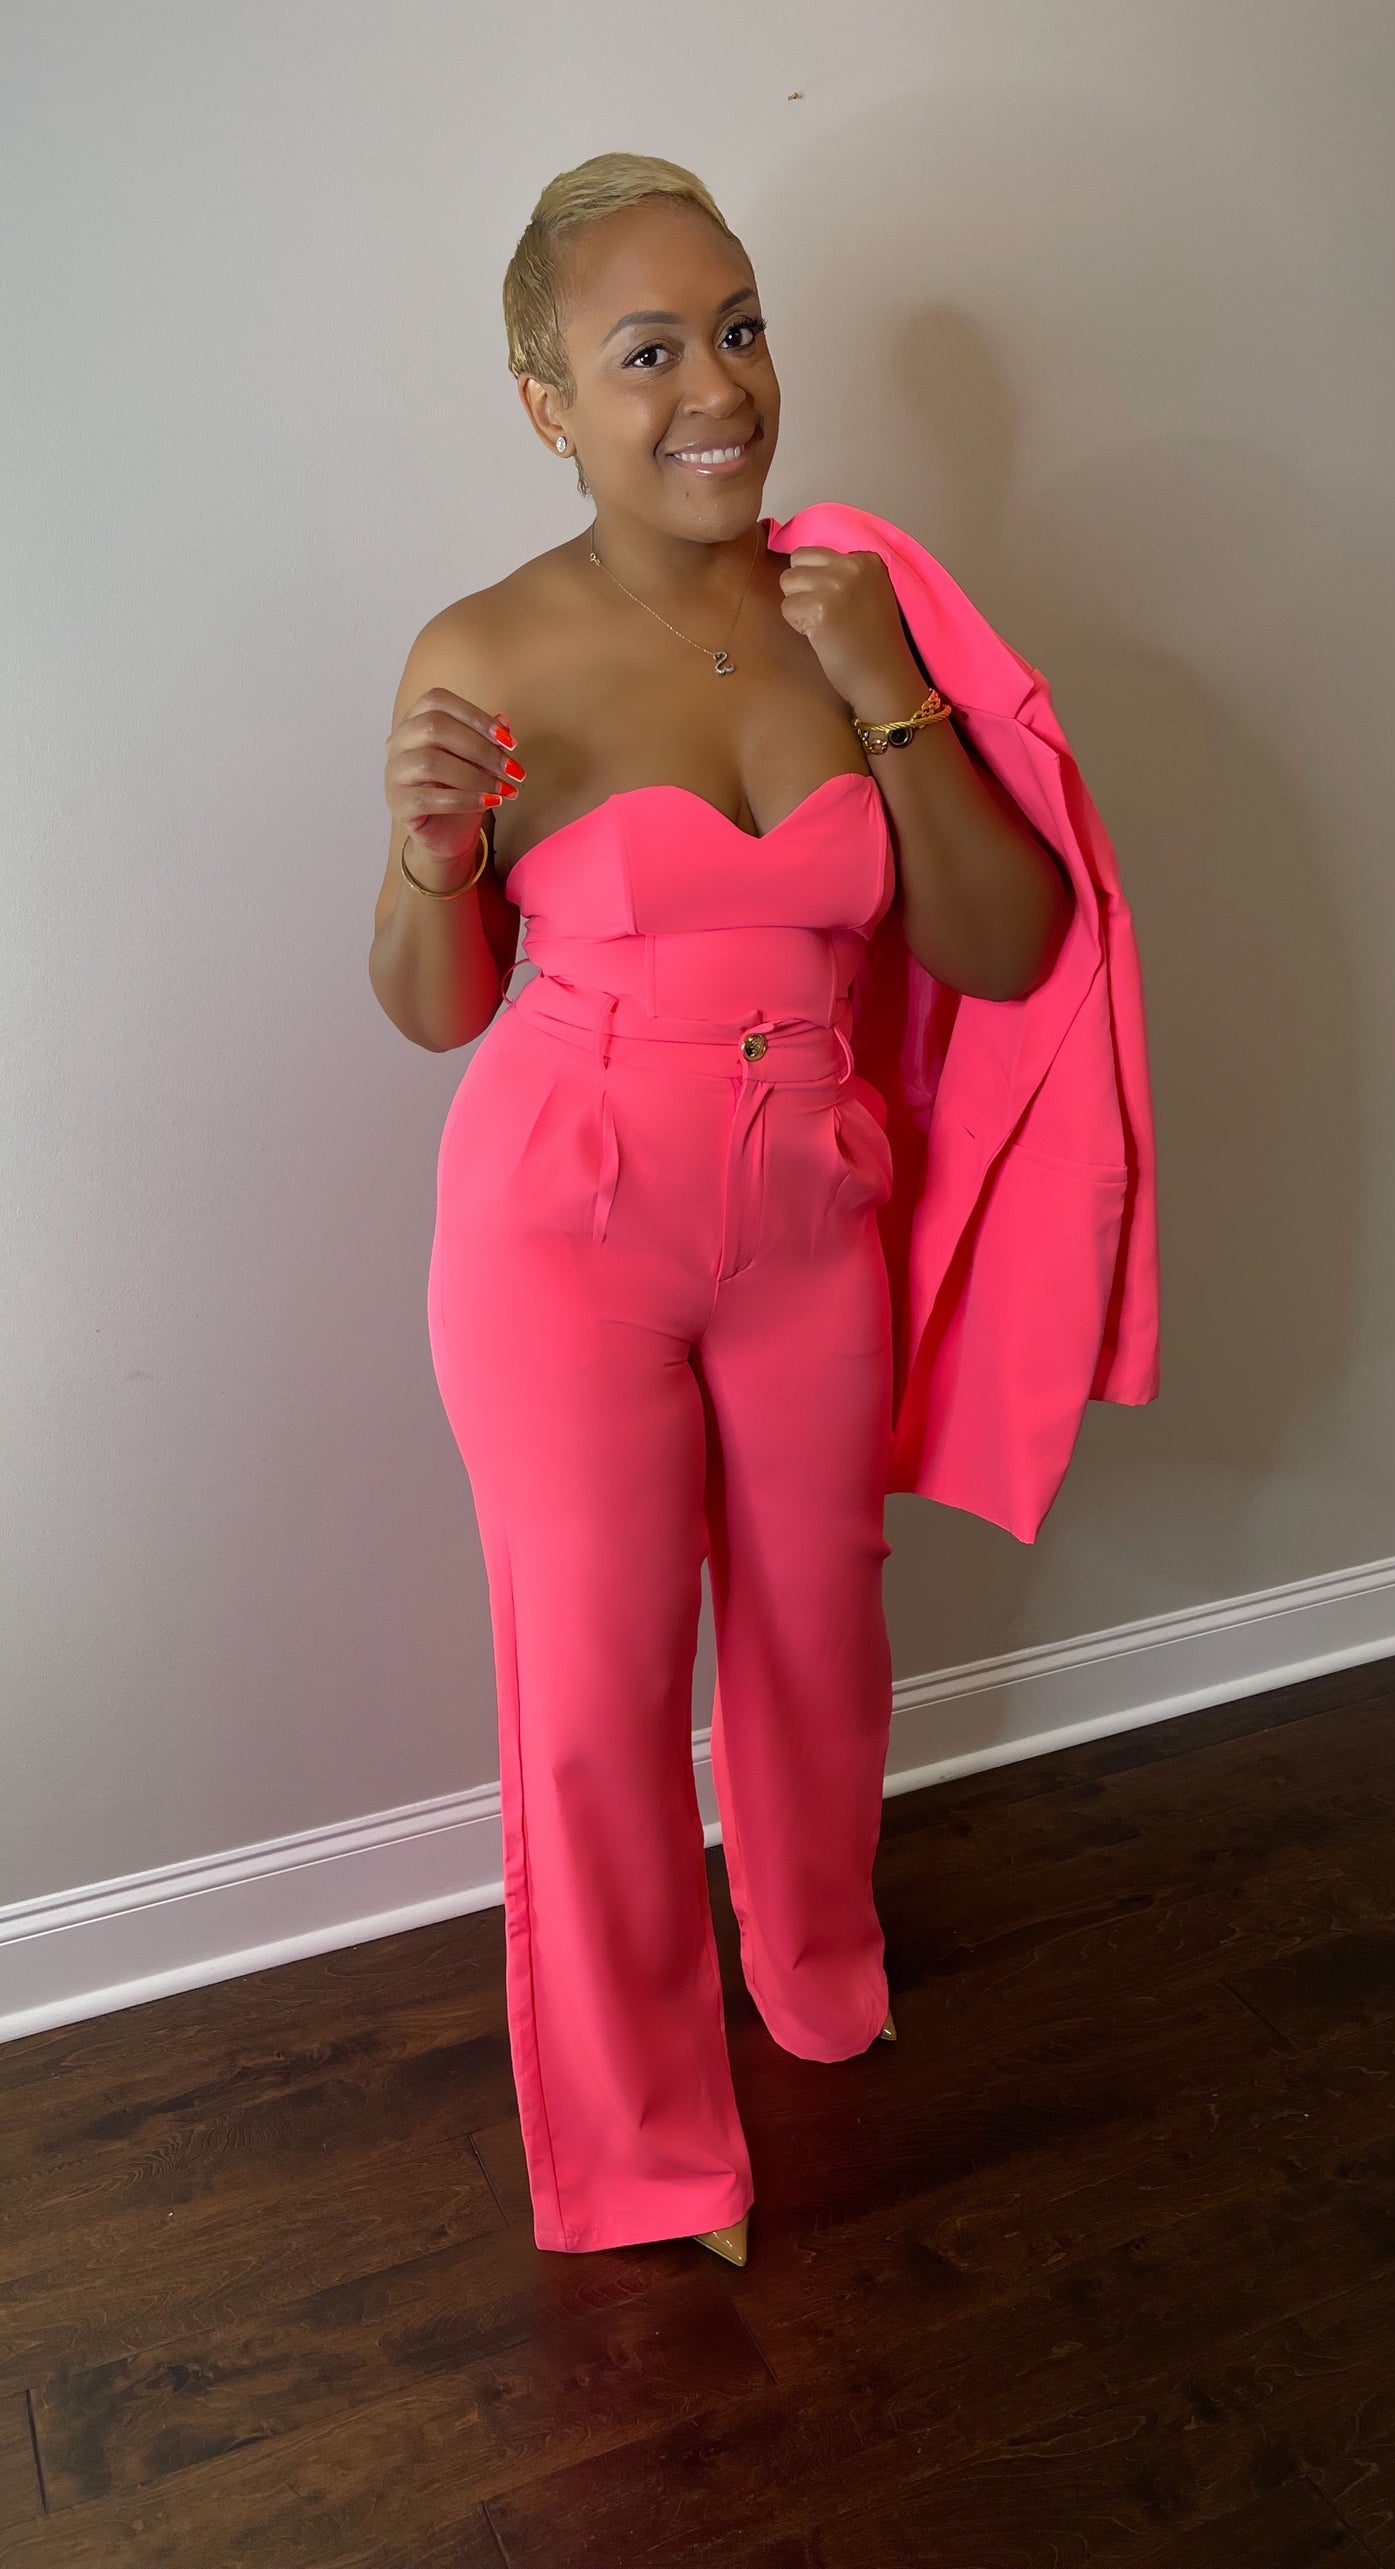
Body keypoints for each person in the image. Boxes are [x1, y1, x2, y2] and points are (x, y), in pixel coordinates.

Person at [369, 152, 1086, 2266]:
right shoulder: (485, 646)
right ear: (547, 400)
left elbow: (1010, 944)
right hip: (563, 1229)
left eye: (742, 328)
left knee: (818, 1640)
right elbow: (436, 1008)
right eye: (649, 350)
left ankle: (814, 1976)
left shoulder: (854, 604)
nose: (717, 388)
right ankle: (640, 2152)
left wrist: (889, 686)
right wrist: (427, 861)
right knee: (595, 1703)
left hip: (804, 1212)